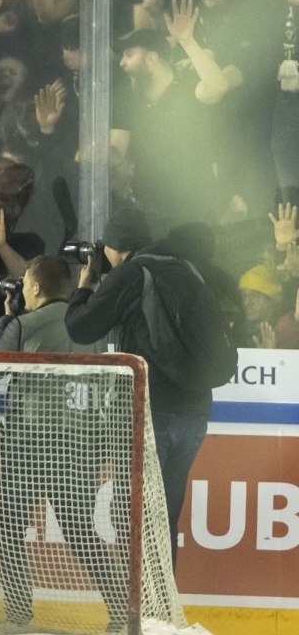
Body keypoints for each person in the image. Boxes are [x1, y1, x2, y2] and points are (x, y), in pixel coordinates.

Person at [64, 210, 234, 551]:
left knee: (139, 520)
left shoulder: (131, 273)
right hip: (194, 413)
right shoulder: (186, 268)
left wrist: (84, 286)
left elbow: (80, 328)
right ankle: (161, 603)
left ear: (115, 246)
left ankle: (139, 604)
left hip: (151, 414)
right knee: (163, 519)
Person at [0, 250, 126, 635]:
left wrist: (8, 316)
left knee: (8, 528)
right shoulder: (92, 327)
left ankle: (17, 612)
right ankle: (120, 612)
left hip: (27, 443)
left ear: (33, 286)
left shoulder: (26, 323)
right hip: (80, 444)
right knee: (82, 532)